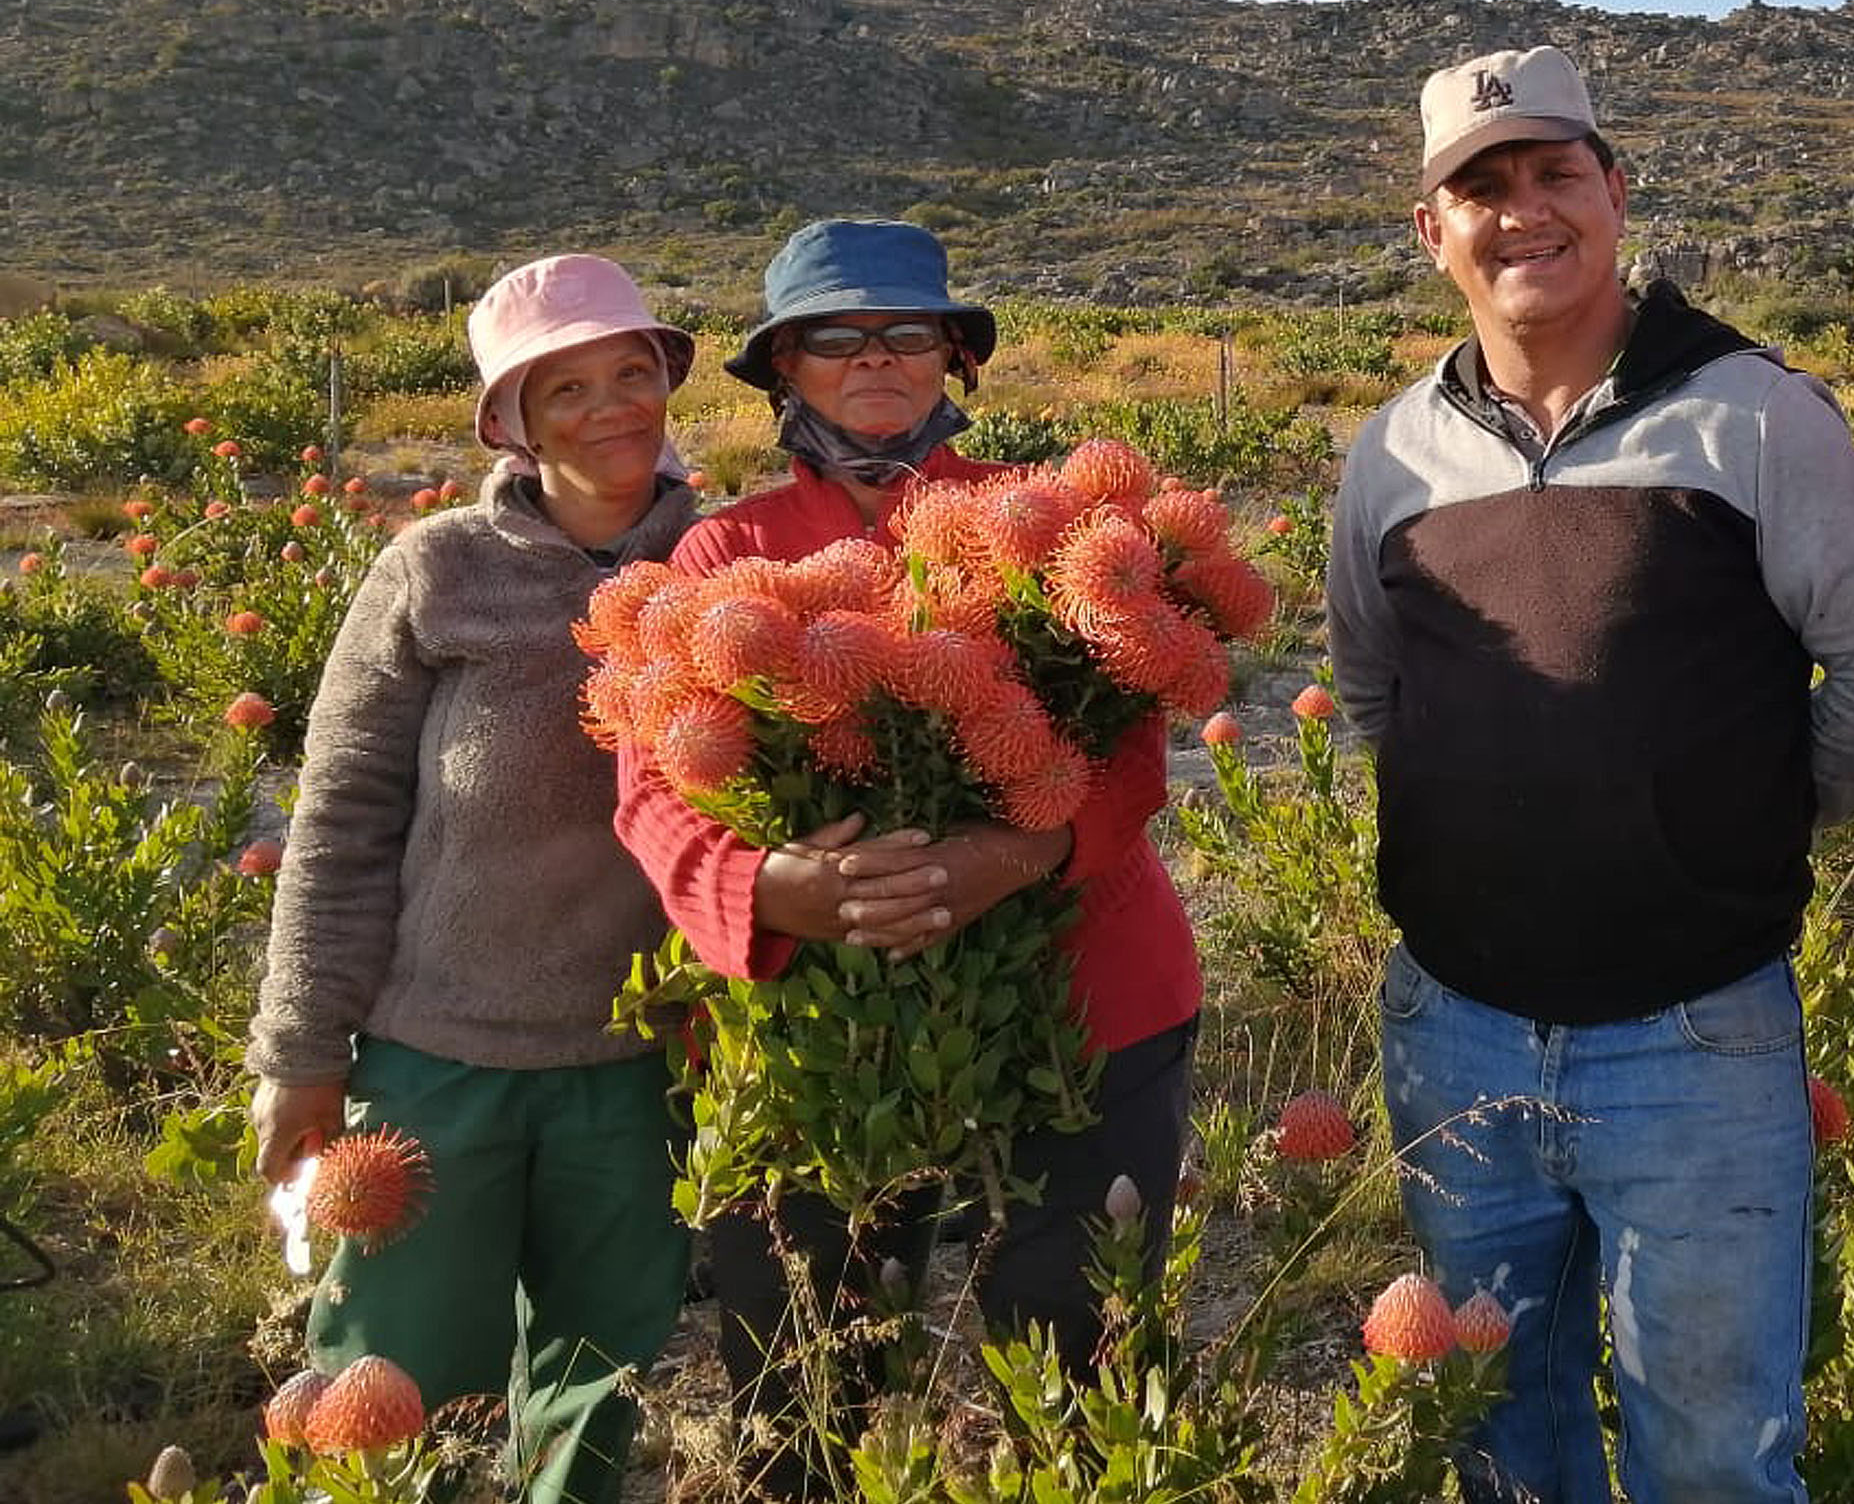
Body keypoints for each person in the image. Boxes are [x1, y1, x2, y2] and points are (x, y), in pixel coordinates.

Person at [1327, 47, 1854, 1504]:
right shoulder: (1394, 457)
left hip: (1694, 1037)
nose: (1522, 212)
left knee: (1713, 1462)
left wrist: (1754, 819)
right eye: (1480, 188)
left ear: (1614, 193)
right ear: (1434, 233)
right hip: (1456, 1030)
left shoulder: (1752, 417)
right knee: (1493, 1441)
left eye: (1554, 174)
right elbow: (1374, 688)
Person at [610, 216, 1200, 1500]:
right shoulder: (724, 554)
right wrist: (771, 892)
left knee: (1075, 1352)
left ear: (952, 360)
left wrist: (1020, 850)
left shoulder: (1045, 526)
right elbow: (650, 792)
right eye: (834, 336)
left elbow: (1136, 756)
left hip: (1088, 1000)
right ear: (783, 370)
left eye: (906, 332)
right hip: (823, 1034)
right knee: (808, 1373)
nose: (874, 357)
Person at [247, 254, 706, 1504]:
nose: (612, 406)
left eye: (633, 373)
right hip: (434, 1061)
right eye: (567, 388)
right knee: (397, 1390)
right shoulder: (434, 570)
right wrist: (301, 1047)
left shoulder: (719, 567)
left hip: (636, 1066)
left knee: (593, 1396)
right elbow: (342, 817)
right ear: (508, 420)